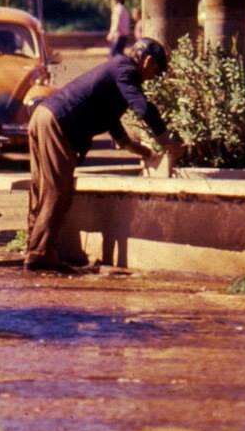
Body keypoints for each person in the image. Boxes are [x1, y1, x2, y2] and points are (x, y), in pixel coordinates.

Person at [25, 37, 183, 273]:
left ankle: (35, 247)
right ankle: (40, 254)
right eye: (155, 71)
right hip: (57, 123)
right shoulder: (126, 70)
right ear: (148, 61)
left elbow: (109, 118)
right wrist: (167, 141)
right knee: (57, 191)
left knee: (42, 188)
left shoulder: (117, 70)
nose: (153, 78)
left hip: (44, 116)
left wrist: (134, 148)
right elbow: (143, 108)